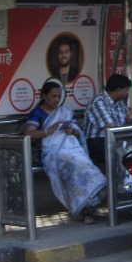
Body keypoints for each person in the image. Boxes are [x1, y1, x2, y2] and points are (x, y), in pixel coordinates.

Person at [21, 81, 106, 224]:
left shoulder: (65, 112)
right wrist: (50, 130)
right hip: (53, 153)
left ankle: (86, 207)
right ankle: (85, 209)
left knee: (82, 166)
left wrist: (71, 131)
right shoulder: (38, 113)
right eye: (53, 96)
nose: (56, 99)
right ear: (44, 96)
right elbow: (29, 133)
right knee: (78, 165)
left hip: (71, 149)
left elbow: (78, 134)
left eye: (59, 97)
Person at [83, 74, 132, 164]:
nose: (127, 93)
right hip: (96, 142)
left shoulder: (119, 103)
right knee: (124, 153)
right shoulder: (99, 101)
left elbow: (122, 127)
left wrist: (128, 120)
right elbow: (111, 128)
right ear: (118, 90)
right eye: (126, 90)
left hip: (113, 140)